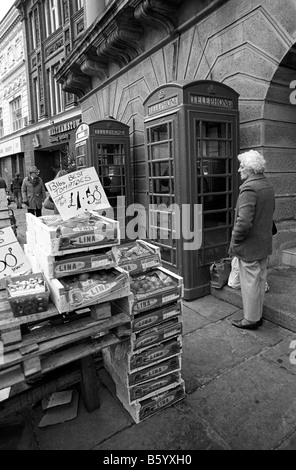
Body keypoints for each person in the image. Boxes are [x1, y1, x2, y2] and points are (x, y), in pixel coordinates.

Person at [229, 150, 275, 330]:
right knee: (260, 281)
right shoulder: (267, 185)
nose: (239, 170)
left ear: (251, 169)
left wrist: (235, 241)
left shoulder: (249, 188)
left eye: (242, 166)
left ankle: (250, 319)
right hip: (263, 243)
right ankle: (257, 315)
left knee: (249, 285)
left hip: (249, 246)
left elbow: (243, 222)